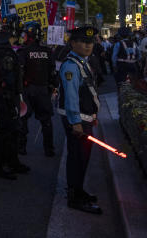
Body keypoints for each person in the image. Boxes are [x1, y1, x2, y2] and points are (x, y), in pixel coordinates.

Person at [57, 26, 102, 214]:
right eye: (83, 42)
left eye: (90, 42)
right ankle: (75, 197)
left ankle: (79, 190)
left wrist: (92, 116)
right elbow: (71, 96)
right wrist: (76, 122)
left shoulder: (82, 62)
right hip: (76, 120)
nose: (88, 45)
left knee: (82, 158)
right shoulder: (71, 65)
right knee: (77, 158)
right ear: (73, 43)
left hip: (84, 118)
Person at [0, 14, 30, 180]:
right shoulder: (4, 50)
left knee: (13, 130)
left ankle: (13, 161)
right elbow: (8, 76)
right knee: (5, 131)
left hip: (4, 94)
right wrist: (11, 96)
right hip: (6, 95)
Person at [17, 22, 57, 157]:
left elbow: (20, 72)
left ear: (29, 35)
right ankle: (49, 149)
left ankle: (21, 148)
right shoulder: (47, 51)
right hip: (43, 90)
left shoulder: (24, 51)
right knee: (46, 121)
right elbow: (53, 72)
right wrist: (53, 87)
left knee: (23, 119)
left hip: (28, 90)